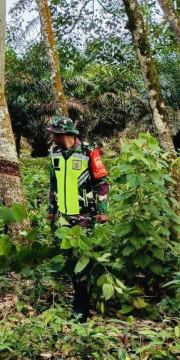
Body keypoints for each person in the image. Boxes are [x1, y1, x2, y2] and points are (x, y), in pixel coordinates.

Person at [46, 116, 109, 321]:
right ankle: (79, 300)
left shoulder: (89, 152)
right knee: (70, 260)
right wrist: (51, 210)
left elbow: (102, 182)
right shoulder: (55, 153)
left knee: (82, 260)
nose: (52, 136)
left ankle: (82, 308)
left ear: (63, 133)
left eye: (53, 133)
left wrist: (103, 209)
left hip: (85, 214)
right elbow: (53, 183)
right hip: (64, 215)